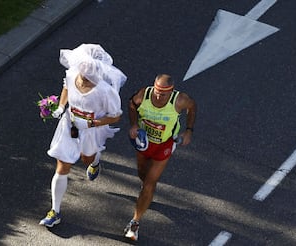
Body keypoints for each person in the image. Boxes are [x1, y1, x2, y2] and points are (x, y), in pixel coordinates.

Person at [39, 44, 127, 228]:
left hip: (90, 129)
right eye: (83, 74)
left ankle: (95, 162)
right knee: (62, 166)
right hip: (69, 125)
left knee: (87, 158)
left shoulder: (105, 91)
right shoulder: (72, 75)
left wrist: (91, 123)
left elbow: (116, 116)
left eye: (90, 76)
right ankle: (55, 211)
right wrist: (61, 107)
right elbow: (66, 88)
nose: (85, 79)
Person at [124, 74, 196, 241]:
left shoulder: (180, 100)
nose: (158, 96)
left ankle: (134, 223)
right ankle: (146, 194)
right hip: (143, 143)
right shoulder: (144, 94)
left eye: (163, 94)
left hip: (164, 146)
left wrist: (189, 130)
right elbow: (131, 104)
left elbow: (192, 107)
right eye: (157, 91)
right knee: (142, 173)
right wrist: (134, 124)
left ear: (171, 93)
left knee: (150, 183)